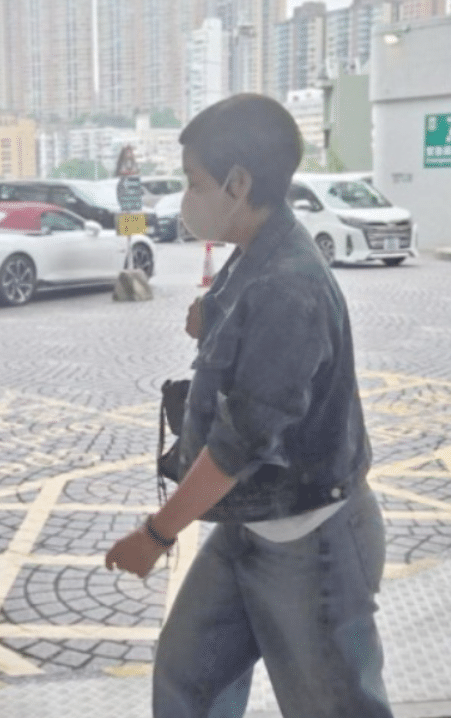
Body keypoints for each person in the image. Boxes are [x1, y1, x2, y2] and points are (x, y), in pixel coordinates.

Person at [105, 94, 394, 718]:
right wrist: (212, 320)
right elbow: (246, 338)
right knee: (187, 678)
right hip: (250, 522)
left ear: (237, 184)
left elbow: (239, 445)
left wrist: (156, 535)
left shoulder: (288, 286)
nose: (186, 197)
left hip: (312, 540)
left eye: (194, 182)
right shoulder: (256, 251)